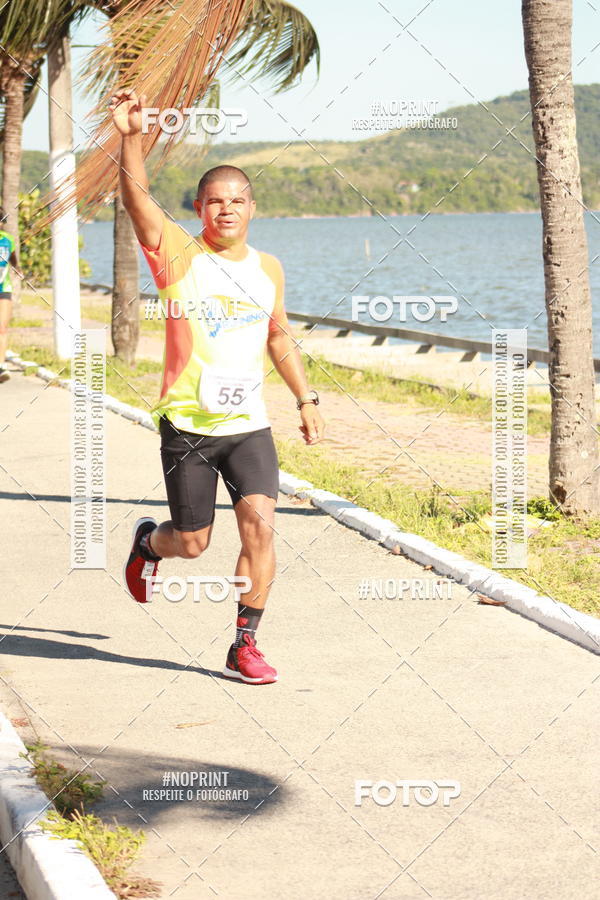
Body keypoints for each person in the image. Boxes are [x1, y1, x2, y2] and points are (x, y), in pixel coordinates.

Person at [113, 89, 325, 685]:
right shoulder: (177, 255)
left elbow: (279, 338)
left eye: (236, 201)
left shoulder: (268, 268)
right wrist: (132, 137)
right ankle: (149, 546)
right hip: (188, 424)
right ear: (199, 208)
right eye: (214, 202)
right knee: (193, 541)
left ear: (251, 207)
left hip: (248, 427)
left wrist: (305, 399)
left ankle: (244, 643)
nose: (225, 210)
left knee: (260, 525)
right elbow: (136, 202)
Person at [0, 209, 20, 383]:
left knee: (2, 327)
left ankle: (1, 366)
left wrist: (17, 267)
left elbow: (12, 257)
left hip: (3, 287)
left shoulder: (7, 240)